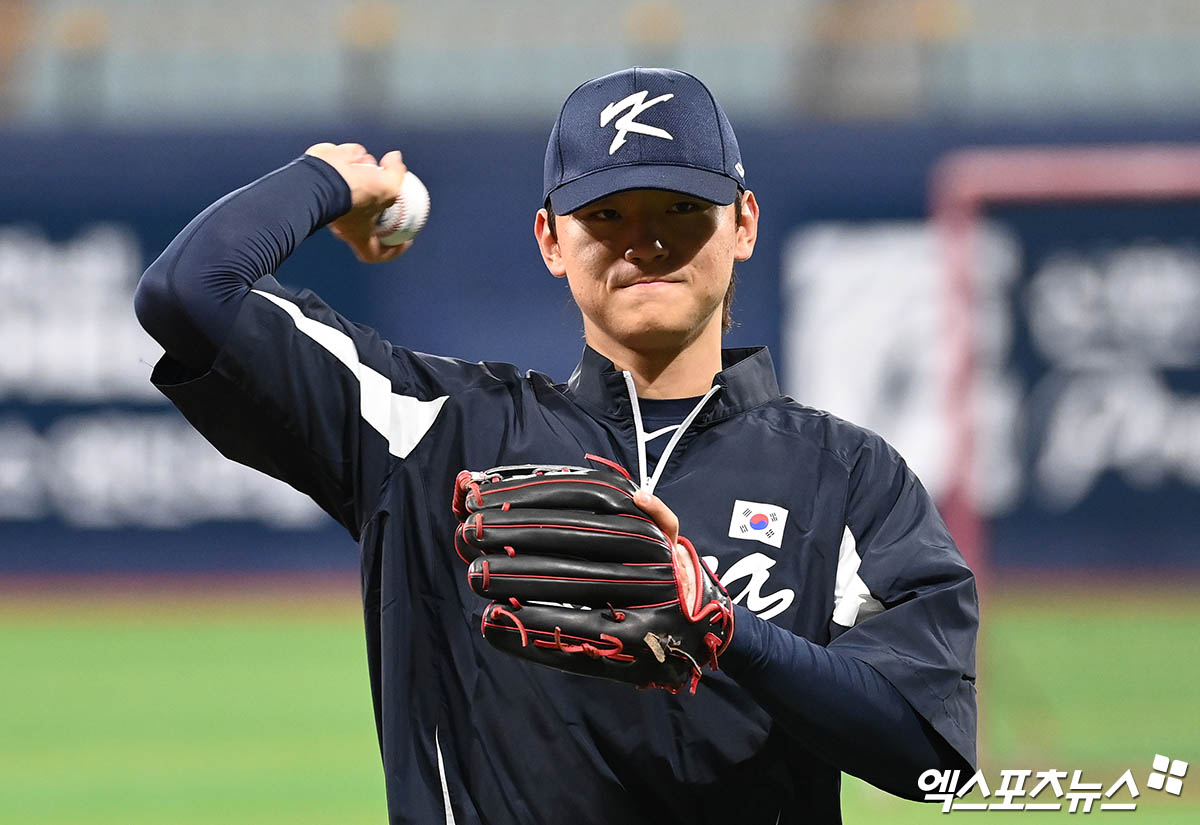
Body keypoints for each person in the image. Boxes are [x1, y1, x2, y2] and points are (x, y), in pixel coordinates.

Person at [135, 67, 977, 824]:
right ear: (550, 240)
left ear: (743, 223)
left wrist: (729, 632)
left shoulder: (847, 477)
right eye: (605, 214)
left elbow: (934, 759)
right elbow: (188, 291)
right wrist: (329, 181)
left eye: (681, 208)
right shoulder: (434, 431)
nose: (643, 239)